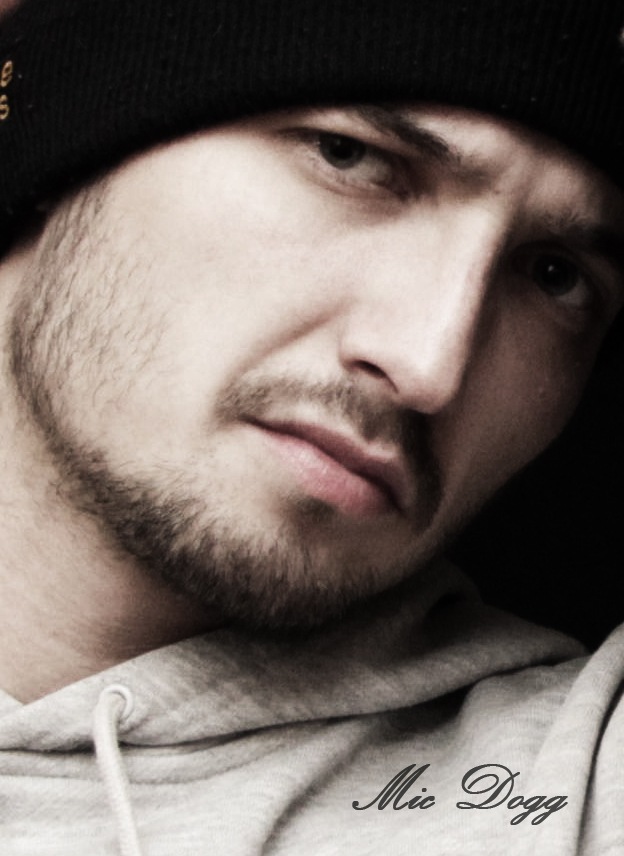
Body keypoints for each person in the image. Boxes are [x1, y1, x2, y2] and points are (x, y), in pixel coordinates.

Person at [0, 0, 623, 853]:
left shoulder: (571, 790)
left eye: (555, 276)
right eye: (350, 157)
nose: (429, 365)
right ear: (65, 142)